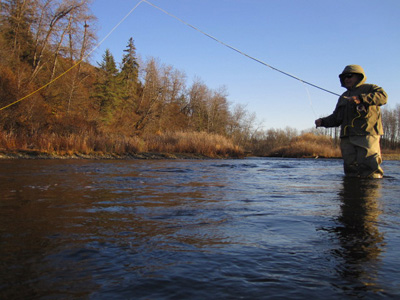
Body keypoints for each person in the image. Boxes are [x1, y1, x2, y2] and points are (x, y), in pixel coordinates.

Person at [315, 65, 387, 178]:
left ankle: (371, 193)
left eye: (350, 76)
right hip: (347, 138)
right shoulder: (343, 96)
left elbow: (383, 97)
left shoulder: (370, 88)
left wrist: (361, 98)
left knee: (370, 168)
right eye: (344, 77)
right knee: (350, 169)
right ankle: (350, 194)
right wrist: (323, 121)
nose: (347, 79)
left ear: (359, 77)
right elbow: (337, 118)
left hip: (367, 135)